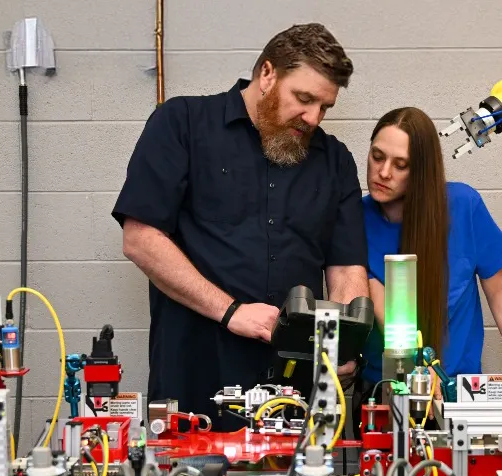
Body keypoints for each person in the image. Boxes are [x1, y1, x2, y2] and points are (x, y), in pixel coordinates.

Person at [113, 24, 368, 426]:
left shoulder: (334, 161)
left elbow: (347, 268)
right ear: (267, 74)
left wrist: (341, 342)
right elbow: (141, 239)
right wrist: (231, 311)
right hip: (194, 385)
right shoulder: (182, 124)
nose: (313, 117)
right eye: (304, 99)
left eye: (325, 107)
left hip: (294, 398)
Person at [361, 107, 502, 388]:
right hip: (385, 389)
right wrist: (420, 371)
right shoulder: (355, 220)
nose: (383, 172)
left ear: (421, 170)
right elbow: (389, 315)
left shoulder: (463, 205)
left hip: (458, 388)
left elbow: (498, 289)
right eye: (377, 157)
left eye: (400, 165)